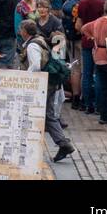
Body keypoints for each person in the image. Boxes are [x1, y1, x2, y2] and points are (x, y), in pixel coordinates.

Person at [21, 19, 75, 161]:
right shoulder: (40, 39)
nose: (20, 32)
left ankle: (27, 145)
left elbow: (36, 65)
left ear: (25, 32)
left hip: (41, 83)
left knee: (34, 113)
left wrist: (24, 78)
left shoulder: (32, 45)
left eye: (21, 30)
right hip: (50, 82)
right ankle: (63, 144)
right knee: (49, 114)